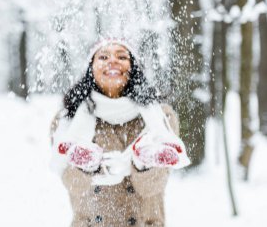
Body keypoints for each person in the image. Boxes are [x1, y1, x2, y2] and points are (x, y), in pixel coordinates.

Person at [50, 38, 190, 227]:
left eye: (122, 56)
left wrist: (144, 164)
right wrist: (85, 166)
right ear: (90, 68)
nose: (112, 61)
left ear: (133, 68)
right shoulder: (68, 119)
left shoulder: (160, 117)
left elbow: (153, 187)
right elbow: (73, 185)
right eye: (103, 56)